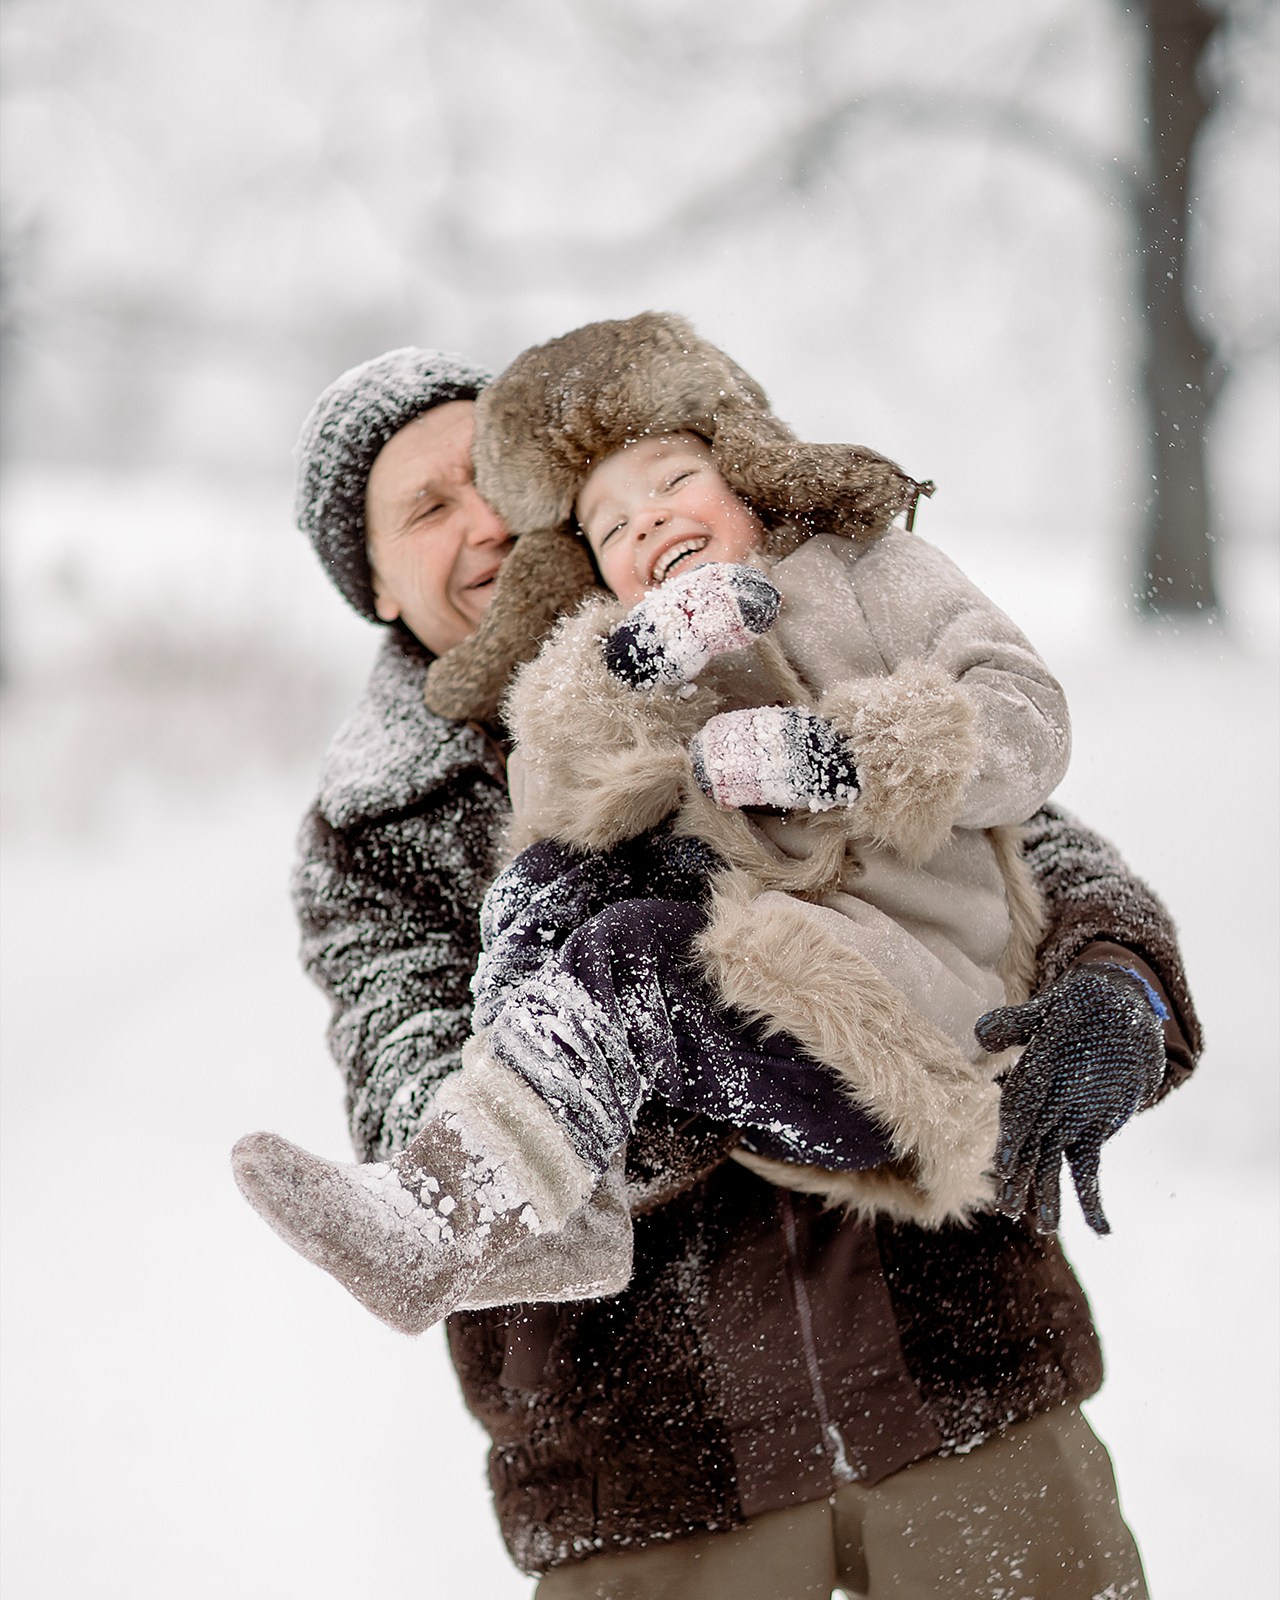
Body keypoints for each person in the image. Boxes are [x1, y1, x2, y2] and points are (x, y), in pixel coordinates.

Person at [241, 340, 1201, 1598]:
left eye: (488, 478)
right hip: (655, 1477)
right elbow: (411, 1096)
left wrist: (1114, 987)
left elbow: (1023, 838)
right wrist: (678, 1001)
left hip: (958, 1366)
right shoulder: (374, 831)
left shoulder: (735, 621)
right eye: (426, 509)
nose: (481, 523)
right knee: (600, 962)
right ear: (368, 581)